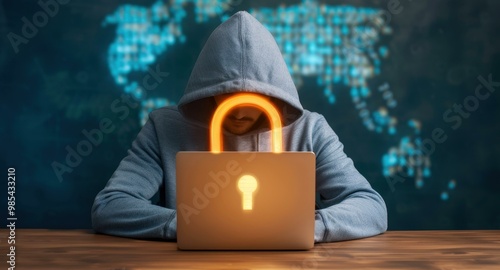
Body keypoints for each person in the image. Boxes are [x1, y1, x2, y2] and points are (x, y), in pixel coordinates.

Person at [91, 11, 387, 243]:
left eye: (255, 96)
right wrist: (190, 226)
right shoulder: (164, 127)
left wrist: (306, 228)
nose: (241, 110)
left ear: (274, 92)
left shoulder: (310, 130)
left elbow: (371, 207)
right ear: (208, 88)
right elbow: (110, 207)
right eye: (228, 92)